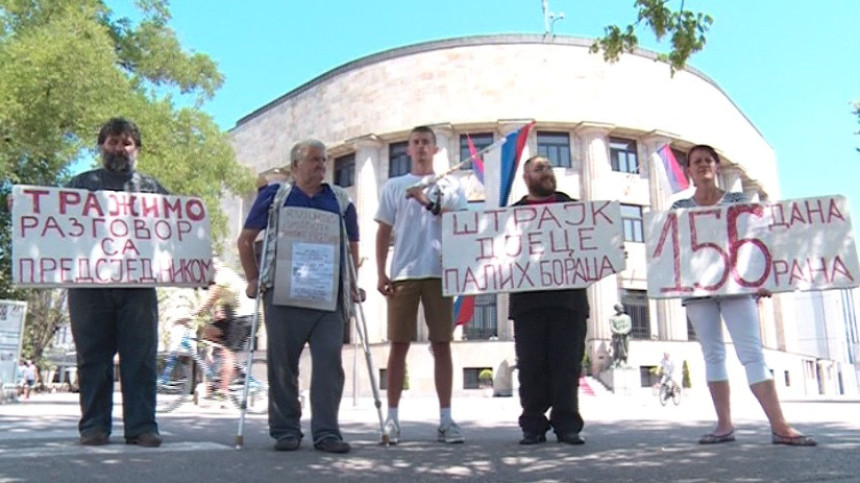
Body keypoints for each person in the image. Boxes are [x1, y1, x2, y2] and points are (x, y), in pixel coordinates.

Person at [671, 144, 816, 446]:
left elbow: (759, 239)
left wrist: (763, 277)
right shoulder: (679, 209)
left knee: (751, 353)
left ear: (716, 166)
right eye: (696, 161)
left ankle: (780, 426)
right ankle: (724, 425)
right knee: (712, 354)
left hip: (737, 287)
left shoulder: (739, 201)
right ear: (688, 171)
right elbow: (674, 249)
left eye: (708, 160)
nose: (702, 165)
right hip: (699, 292)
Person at [237, 139, 358, 454]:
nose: (321, 165)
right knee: (282, 364)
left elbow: (352, 245)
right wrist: (252, 279)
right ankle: (286, 430)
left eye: (323, 160)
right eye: (314, 160)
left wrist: (353, 280)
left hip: (327, 295)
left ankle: (327, 432)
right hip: (283, 293)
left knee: (329, 361)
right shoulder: (274, 197)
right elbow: (246, 240)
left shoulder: (341, 200)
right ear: (295, 166)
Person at [66, 118, 168, 447]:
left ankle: (142, 427)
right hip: (88, 287)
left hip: (138, 288)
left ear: (136, 148)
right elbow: (50, 223)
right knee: (92, 358)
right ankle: (94, 427)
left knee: (139, 357)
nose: (119, 148)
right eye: (112, 141)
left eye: (126, 142)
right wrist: (24, 206)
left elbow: (178, 228)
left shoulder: (151, 188)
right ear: (101, 146)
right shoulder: (80, 184)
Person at [375, 125, 467, 445]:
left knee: (441, 345)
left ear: (435, 150)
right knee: (398, 346)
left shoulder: (451, 186)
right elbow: (383, 231)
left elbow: (462, 226)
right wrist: (381, 272)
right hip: (403, 273)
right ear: (408, 150)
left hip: (440, 273)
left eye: (427, 142)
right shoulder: (394, 186)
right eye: (416, 143)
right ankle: (392, 420)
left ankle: (445, 420)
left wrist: (425, 198)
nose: (421, 147)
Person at [508, 155, 589, 446]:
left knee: (567, 365)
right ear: (526, 178)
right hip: (528, 304)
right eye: (539, 168)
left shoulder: (576, 209)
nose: (547, 172)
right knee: (530, 367)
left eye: (549, 167)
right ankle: (533, 425)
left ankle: (568, 426)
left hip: (568, 302)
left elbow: (595, 245)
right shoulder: (510, 216)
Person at [192, 257, 255, 404]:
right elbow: (218, 309)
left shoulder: (223, 275)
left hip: (245, 317)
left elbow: (210, 299)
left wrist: (192, 314)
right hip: (234, 317)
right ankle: (229, 369)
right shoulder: (220, 279)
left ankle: (224, 392)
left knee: (228, 352)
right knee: (207, 331)